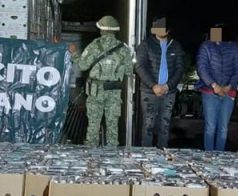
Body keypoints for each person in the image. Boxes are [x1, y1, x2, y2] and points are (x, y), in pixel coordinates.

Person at [69, 15, 134, 146]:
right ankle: (112, 154)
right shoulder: (124, 49)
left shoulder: (94, 46)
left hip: (96, 91)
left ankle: (91, 154)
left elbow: (83, 65)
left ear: (102, 30)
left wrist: (74, 53)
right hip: (114, 92)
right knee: (112, 128)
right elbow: (129, 71)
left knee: (93, 127)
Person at [134, 17, 185, 147]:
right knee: (148, 125)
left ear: (168, 30)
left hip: (169, 93)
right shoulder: (146, 45)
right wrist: (153, 85)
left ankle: (163, 153)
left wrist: (168, 86)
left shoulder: (175, 46)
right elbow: (140, 66)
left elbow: (180, 68)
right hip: (149, 92)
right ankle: (146, 154)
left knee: (165, 125)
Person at [195, 24, 238, 151]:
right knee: (210, 127)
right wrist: (214, 85)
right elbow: (202, 67)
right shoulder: (206, 46)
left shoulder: (234, 47)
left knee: (223, 128)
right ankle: (209, 156)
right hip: (209, 92)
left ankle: (220, 156)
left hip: (229, 93)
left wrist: (229, 86)